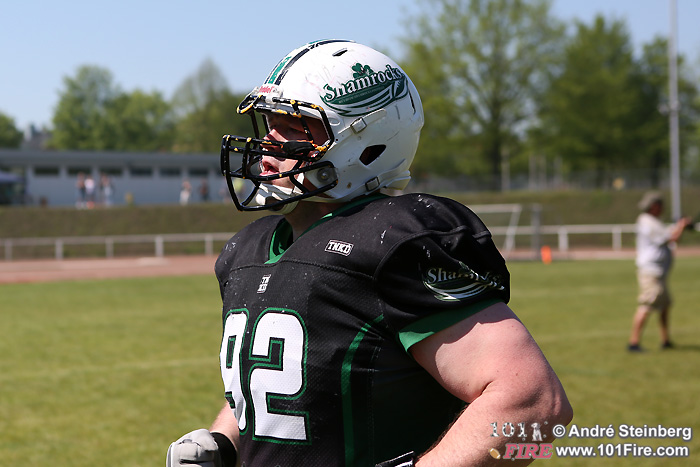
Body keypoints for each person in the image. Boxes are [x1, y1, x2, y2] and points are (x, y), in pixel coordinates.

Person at [167, 40, 572, 467]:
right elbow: (283, 381)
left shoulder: (392, 240)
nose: (269, 141)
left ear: (365, 143)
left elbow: (533, 401)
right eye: (270, 122)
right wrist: (225, 441)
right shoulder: (246, 250)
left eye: (295, 126)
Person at [627, 192, 691, 352]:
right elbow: (672, 238)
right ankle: (633, 343)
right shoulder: (647, 221)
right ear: (655, 206)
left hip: (659, 273)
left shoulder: (653, 221)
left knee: (664, 306)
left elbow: (669, 234)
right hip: (651, 272)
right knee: (647, 305)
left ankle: (665, 340)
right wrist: (681, 226)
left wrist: (680, 226)